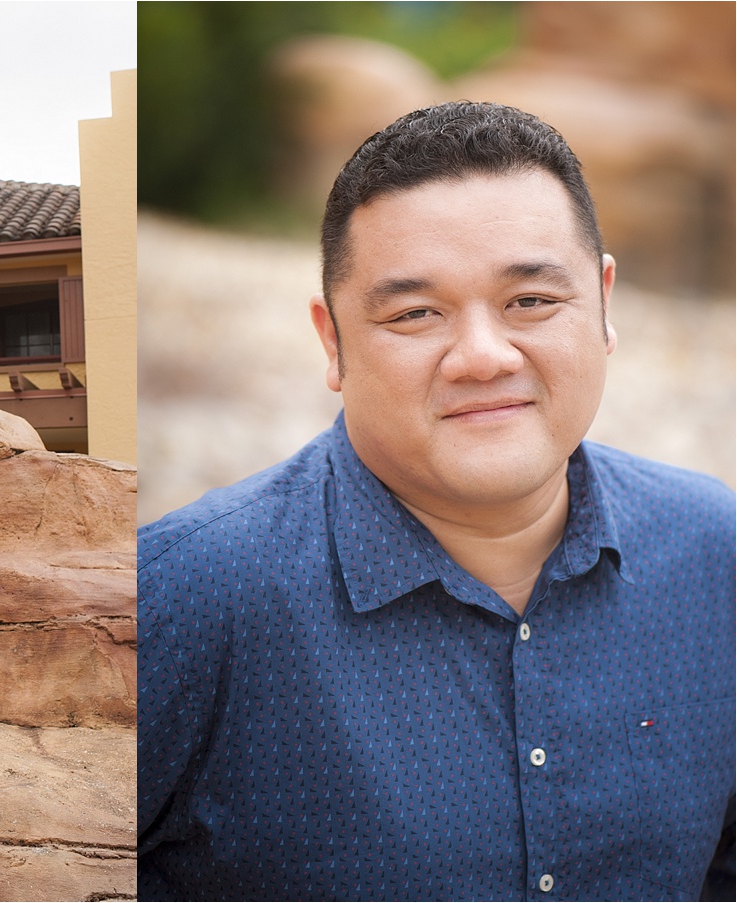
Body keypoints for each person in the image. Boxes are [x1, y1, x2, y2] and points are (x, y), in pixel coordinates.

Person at [138, 102, 735, 901]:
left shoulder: (714, 553)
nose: (484, 357)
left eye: (531, 300)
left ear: (603, 304)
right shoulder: (180, 599)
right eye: (416, 314)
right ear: (333, 342)